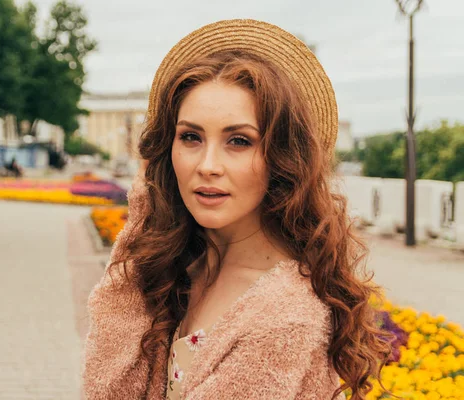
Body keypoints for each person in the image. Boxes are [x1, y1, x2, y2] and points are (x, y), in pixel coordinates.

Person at [82, 20, 394, 400]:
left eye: (239, 141)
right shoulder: (183, 266)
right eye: (191, 137)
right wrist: (147, 216)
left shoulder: (283, 318)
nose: (208, 165)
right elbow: (109, 384)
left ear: (282, 157)